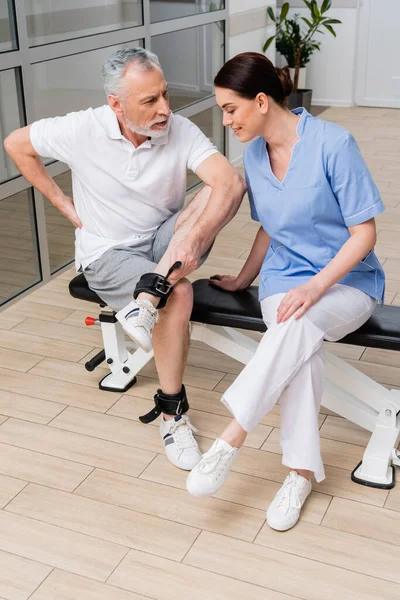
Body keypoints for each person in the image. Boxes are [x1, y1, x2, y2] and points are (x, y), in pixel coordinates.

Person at [4, 47, 246, 471]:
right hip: (108, 251)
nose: (165, 109)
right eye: (150, 101)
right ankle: (173, 416)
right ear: (115, 103)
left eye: (165, 94)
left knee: (224, 185)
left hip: (166, 244)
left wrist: (192, 241)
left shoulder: (180, 129)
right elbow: (16, 143)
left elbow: (226, 183)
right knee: (182, 293)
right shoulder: (82, 128)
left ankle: (147, 299)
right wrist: (60, 201)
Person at [186, 52, 385, 531]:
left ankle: (230, 440)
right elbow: (270, 230)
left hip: (346, 281)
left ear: (260, 101)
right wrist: (243, 280)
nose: (226, 120)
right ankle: (299, 473)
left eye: (230, 109)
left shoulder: (335, 145)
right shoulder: (254, 155)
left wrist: (316, 288)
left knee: (297, 327)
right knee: (299, 346)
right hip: (284, 277)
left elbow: (364, 235)